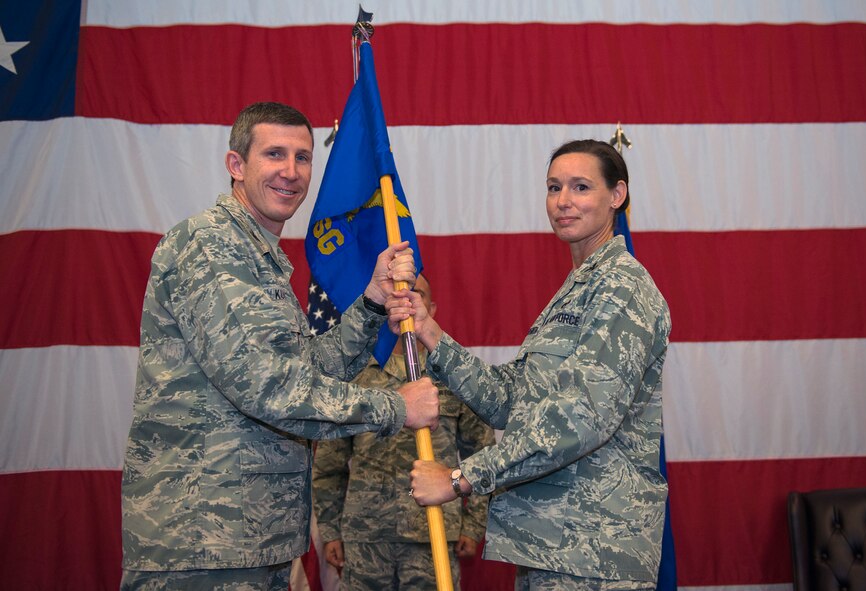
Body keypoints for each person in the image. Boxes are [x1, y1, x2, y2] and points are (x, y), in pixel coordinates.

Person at [120, 102, 440, 590]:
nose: (291, 172)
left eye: (303, 157)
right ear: (236, 165)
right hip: (204, 539)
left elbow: (308, 368)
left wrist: (372, 302)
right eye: (274, 154)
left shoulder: (258, 257)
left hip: (251, 538)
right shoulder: (211, 246)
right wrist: (394, 407)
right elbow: (267, 386)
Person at [388, 139, 671, 590]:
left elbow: (580, 418)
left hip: (595, 552)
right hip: (554, 545)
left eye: (581, 187)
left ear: (616, 196)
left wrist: (461, 478)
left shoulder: (621, 289)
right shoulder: (578, 287)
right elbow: (509, 401)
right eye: (554, 187)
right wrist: (431, 334)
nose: (563, 201)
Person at [312, 274, 495, 590]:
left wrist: (474, 524)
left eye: (417, 294)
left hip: (433, 531)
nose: (406, 300)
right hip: (365, 535)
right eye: (398, 294)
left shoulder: (453, 372)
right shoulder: (355, 373)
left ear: (432, 308)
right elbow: (330, 463)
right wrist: (330, 530)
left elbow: (484, 450)